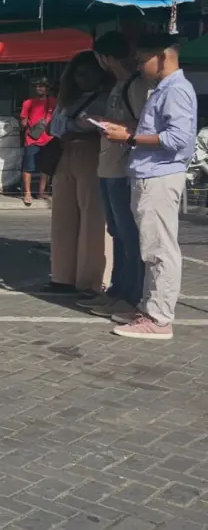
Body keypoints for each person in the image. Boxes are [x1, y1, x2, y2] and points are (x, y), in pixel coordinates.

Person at [100, 33, 197, 340]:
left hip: (159, 175)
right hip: (148, 173)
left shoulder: (176, 90)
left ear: (164, 56)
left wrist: (128, 138)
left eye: (143, 60)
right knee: (150, 247)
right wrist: (129, 131)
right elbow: (158, 131)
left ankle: (159, 317)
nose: (139, 67)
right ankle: (148, 306)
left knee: (160, 249)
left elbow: (179, 140)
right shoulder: (163, 89)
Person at [80, 32, 152, 320]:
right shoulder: (119, 85)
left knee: (129, 235)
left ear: (104, 58)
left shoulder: (136, 85)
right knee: (117, 233)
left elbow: (145, 125)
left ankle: (131, 294)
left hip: (123, 169)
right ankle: (117, 290)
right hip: (108, 166)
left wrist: (119, 127)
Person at [43, 51, 112, 296]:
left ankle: (91, 280)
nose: (82, 78)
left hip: (92, 153)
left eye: (87, 73)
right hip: (66, 153)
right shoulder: (67, 99)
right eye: (78, 74)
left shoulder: (106, 98)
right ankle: (62, 275)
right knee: (63, 217)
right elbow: (54, 127)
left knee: (93, 219)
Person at [19, 77, 55, 205]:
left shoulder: (54, 102)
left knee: (46, 167)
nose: (39, 88)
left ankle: (41, 191)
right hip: (32, 139)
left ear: (48, 88)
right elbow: (23, 121)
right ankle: (27, 193)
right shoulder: (28, 103)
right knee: (28, 167)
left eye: (42, 86)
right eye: (37, 86)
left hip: (49, 139)